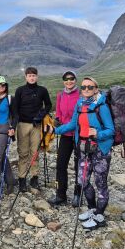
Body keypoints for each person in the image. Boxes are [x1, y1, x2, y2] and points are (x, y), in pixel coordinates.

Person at [54, 77, 115, 230]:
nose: (86, 89)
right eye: (84, 87)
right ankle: (92, 209)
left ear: (96, 88)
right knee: (83, 181)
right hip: (84, 149)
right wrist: (55, 130)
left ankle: (99, 217)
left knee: (100, 184)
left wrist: (98, 134)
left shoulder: (102, 107)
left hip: (100, 150)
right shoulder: (80, 104)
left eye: (90, 87)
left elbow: (111, 130)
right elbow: (72, 124)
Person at [14, 67, 52, 192]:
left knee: (35, 152)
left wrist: (41, 116)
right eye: (29, 75)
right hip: (22, 125)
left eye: (34, 75)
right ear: (25, 77)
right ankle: (22, 179)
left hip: (37, 126)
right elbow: (15, 108)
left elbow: (48, 105)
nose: (32, 77)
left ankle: (34, 177)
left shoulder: (42, 90)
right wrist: (14, 124)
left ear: (37, 77)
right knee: (23, 153)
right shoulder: (20, 90)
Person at [48, 70, 82, 207]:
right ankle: (61, 195)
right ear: (63, 81)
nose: (69, 81)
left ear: (75, 79)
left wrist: (56, 130)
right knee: (61, 165)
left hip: (80, 136)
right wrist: (56, 120)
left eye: (72, 78)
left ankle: (77, 195)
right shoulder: (60, 95)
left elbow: (77, 120)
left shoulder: (81, 95)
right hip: (65, 136)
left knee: (79, 166)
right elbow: (59, 115)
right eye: (66, 79)